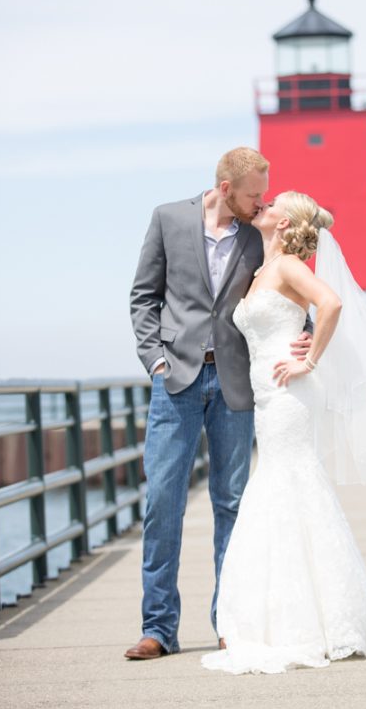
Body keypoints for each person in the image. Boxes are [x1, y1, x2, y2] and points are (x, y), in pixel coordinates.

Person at [200, 191, 366, 675]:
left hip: (290, 395)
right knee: (286, 486)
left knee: (286, 484)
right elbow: (302, 309)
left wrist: (310, 358)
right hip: (268, 395)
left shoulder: (289, 265)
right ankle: (299, 616)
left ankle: (306, 622)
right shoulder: (262, 268)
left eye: (271, 202)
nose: (262, 204)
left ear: (283, 222)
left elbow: (332, 302)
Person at [125, 149, 314, 660]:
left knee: (231, 505)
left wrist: (305, 337)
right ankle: (158, 628)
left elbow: (288, 291)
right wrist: (156, 361)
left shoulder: (258, 234)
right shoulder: (167, 218)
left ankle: (228, 620)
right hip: (176, 383)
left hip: (236, 384)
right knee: (163, 502)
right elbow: (143, 297)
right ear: (226, 187)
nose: (263, 202)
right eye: (256, 193)